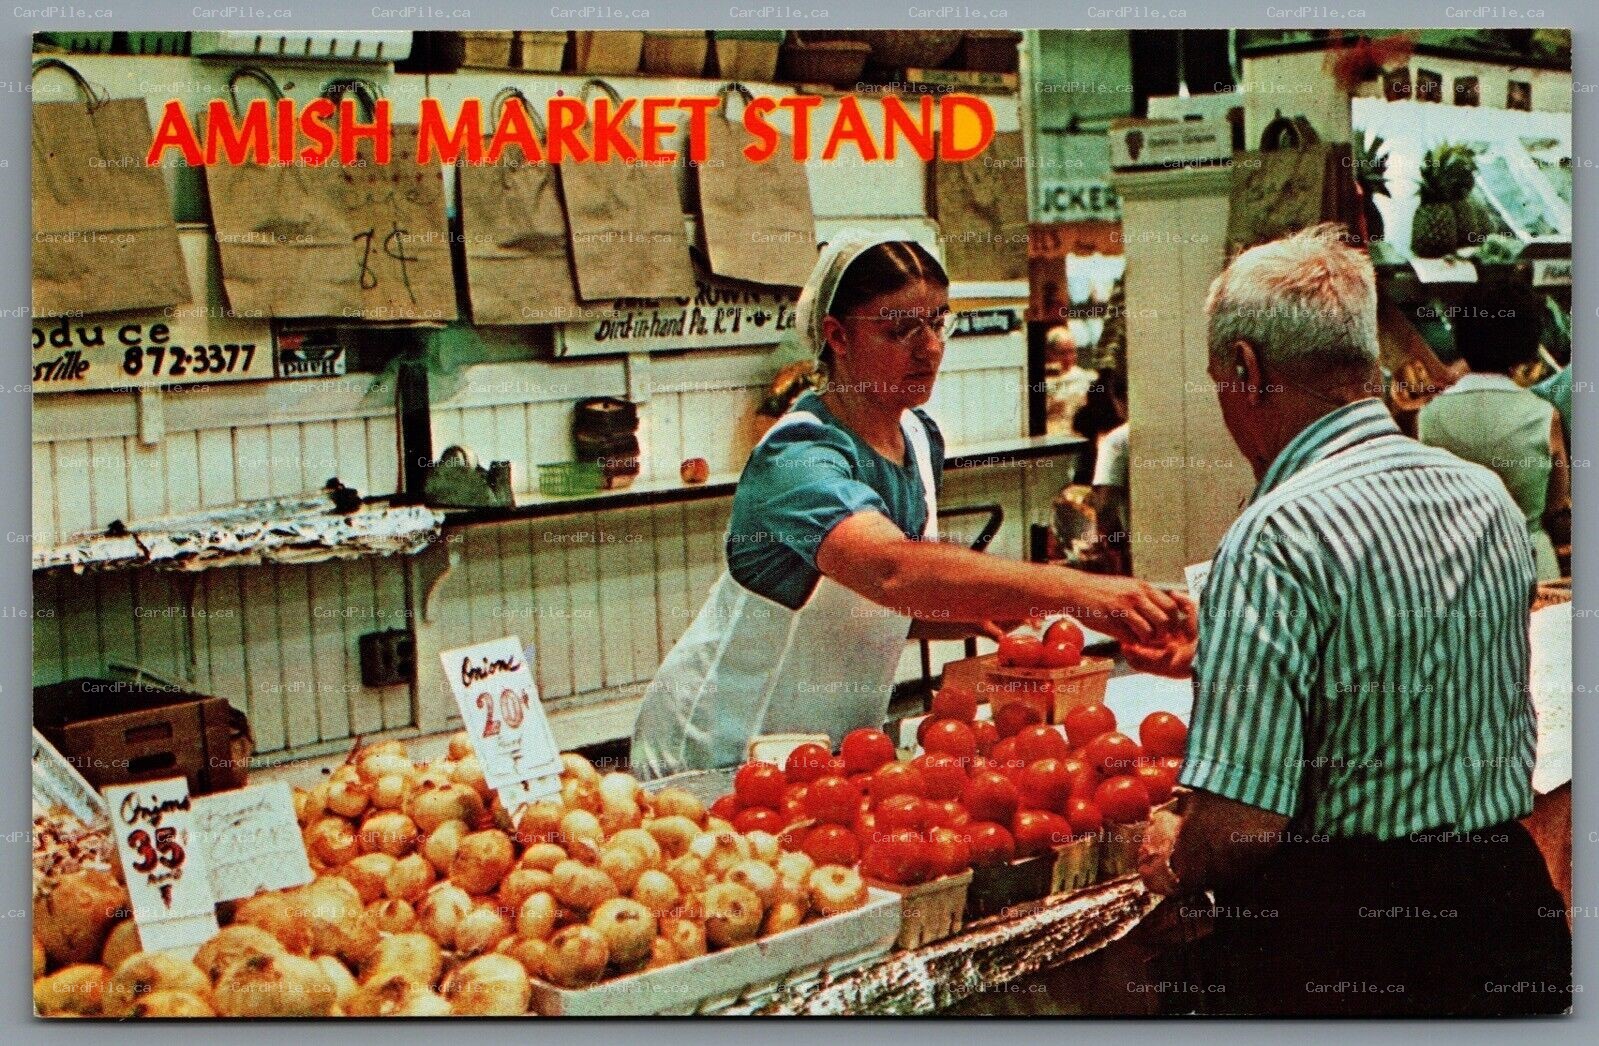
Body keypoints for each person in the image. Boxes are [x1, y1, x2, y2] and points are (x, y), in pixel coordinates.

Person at [1128, 225, 1569, 1015]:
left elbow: (1240, 824)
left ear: (1245, 370)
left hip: (1348, 943)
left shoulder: (1274, 536)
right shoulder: (1485, 500)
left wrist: (1177, 852)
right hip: (1505, 915)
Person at [631, 234, 1189, 780]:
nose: (927, 348)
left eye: (937, 322)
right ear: (838, 336)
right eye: (898, 329)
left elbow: (876, 606)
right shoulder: (796, 456)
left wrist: (1012, 612)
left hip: (834, 752)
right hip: (720, 749)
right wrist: (1078, 591)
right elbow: (892, 570)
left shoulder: (919, 439)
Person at [1417, 287, 1569, 580]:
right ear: (1528, 345)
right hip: (1530, 562)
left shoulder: (1429, 417)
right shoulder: (1544, 416)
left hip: (1452, 567)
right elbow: (1557, 503)